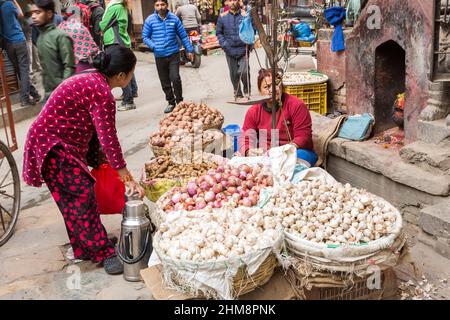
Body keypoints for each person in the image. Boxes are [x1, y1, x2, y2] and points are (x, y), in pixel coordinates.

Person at [22, 46, 144, 275]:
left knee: (73, 201)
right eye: (132, 72)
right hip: (54, 147)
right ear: (121, 75)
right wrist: (127, 179)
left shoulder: (94, 80)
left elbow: (97, 131)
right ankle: (103, 252)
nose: (131, 77)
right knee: (81, 198)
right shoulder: (102, 92)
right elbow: (109, 139)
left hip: (56, 143)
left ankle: (84, 247)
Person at [238, 69, 318, 167]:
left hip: (295, 151)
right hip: (267, 154)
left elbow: (303, 136)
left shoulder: (296, 106)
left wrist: (283, 151)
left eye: (275, 84)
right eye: (266, 87)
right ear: (260, 91)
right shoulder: (254, 111)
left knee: (295, 161)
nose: (272, 90)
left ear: (282, 86)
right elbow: (246, 138)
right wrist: (248, 151)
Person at [142, 0, 193, 114]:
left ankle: (179, 102)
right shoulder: (150, 20)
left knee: (175, 78)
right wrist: (154, 46)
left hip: (173, 54)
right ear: (155, 6)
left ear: (167, 5)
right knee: (164, 81)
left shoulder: (174, 19)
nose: (160, 7)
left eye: (162, 4)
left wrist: (190, 49)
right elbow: (145, 37)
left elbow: (183, 36)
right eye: (157, 5)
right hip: (159, 55)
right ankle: (171, 102)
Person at [31, 0, 75, 103]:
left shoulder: (61, 36)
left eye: (38, 12)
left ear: (49, 14)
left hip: (62, 96)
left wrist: (63, 92)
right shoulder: (40, 38)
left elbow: (69, 67)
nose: (33, 16)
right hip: (48, 95)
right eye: (32, 13)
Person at [0, 0, 41, 106]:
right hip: (18, 41)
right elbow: (21, 15)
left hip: (8, 45)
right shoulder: (8, 4)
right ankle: (24, 99)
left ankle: (34, 93)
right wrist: (14, 1)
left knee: (20, 71)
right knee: (24, 71)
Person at [100, 0, 137, 111]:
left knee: (120, 72)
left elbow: (103, 25)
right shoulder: (123, 6)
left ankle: (128, 100)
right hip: (122, 40)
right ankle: (132, 92)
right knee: (127, 69)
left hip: (113, 41)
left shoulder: (114, 7)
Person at [216, 0, 251, 100]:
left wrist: (250, 44)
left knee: (244, 71)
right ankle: (238, 93)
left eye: (234, 0)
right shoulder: (222, 17)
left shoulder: (245, 15)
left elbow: (252, 29)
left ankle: (247, 90)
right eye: (230, 0)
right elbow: (219, 33)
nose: (232, 2)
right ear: (227, 2)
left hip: (243, 48)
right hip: (229, 49)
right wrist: (224, 44)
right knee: (233, 73)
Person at [59, 6, 99, 73]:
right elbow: (93, 48)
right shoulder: (81, 28)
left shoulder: (61, 27)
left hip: (65, 67)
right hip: (82, 66)